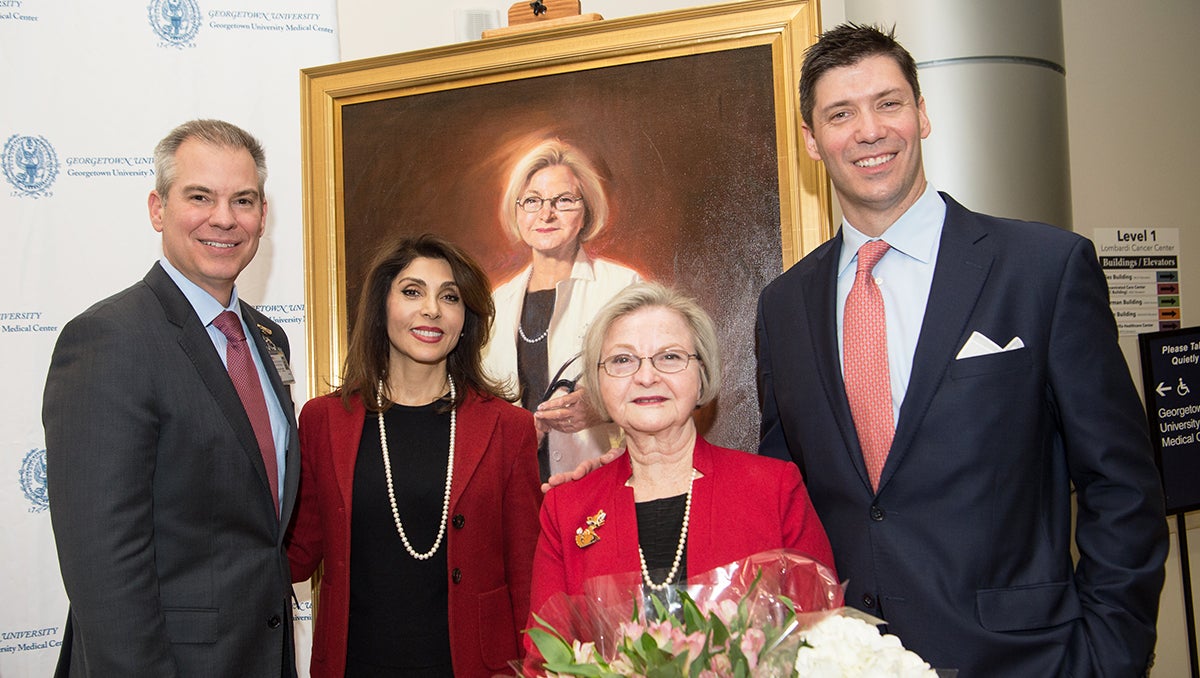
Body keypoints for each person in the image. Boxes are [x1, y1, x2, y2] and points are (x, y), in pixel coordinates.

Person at [756, 24, 1167, 676]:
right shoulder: (783, 308)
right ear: (811, 140)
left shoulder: (1042, 269)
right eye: (840, 113)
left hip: (1026, 660)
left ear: (922, 115)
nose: (869, 130)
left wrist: (1108, 657)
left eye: (889, 103)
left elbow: (1122, 487)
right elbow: (777, 496)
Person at [44, 119, 298, 676]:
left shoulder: (267, 337)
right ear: (158, 209)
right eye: (200, 197)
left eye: (244, 200)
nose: (225, 218)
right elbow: (103, 569)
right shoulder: (110, 338)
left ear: (262, 217)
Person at [286, 234, 542, 677]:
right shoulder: (323, 420)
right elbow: (297, 553)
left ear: (466, 319)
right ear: (381, 306)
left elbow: (527, 575)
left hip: (474, 667)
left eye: (450, 297)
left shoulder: (508, 427)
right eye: (412, 291)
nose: (432, 310)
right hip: (355, 665)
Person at [529, 282, 835, 622]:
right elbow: (546, 662)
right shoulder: (566, 509)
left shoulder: (774, 489)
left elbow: (824, 640)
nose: (646, 376)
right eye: (622, 360)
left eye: (670, 357)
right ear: (599, 382)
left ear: (701, 373)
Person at [483, 138, 642, 483]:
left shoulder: (624, 287)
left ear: (587, 210)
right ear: (517, 210)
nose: (546, 213)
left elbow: (658, 384)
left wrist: (602, 407)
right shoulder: (495, 304)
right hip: (513, 488)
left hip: (601, 481)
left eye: (564, 200)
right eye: (532, 201)